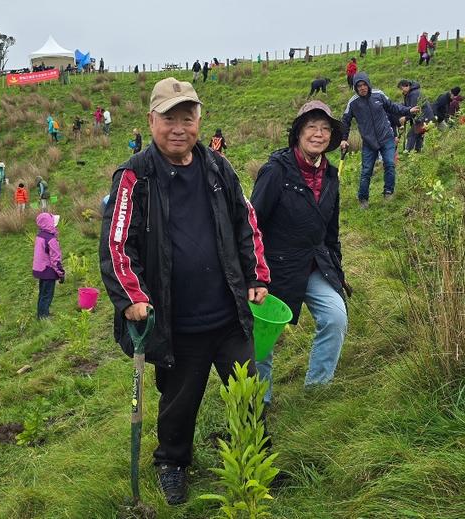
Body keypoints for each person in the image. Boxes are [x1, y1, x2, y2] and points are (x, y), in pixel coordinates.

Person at [100, 77, 270, 506]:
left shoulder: (217, 167)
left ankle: (252, 459)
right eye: (169, 118)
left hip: (229, 312)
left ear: (199, 120)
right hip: (175, 321)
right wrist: (132, 297)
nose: (179, 128)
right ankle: (172, 463)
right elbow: (118, 243)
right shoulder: (135, 175)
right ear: (151, 120)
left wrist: (257, 275)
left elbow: (245, 223)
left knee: (247, 390)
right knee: (179, 402)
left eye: (187, 118)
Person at [250, 100, 349, 407]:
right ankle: (259, 401)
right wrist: (254, 275)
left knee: (335, 317)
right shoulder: (276, 172)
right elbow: (251, 224)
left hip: (315, 265)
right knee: (263, 340)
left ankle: (316, 391)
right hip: (273, 269)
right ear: (298, 133)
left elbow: (330, 232)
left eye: (324, 129)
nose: (318, 134)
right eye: (311, 127)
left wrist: (336, 269)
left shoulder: (331, 176)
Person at [339, 72, 419, 208]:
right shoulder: (353, 103)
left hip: (386, 137)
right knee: (366, 171)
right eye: (359, 86)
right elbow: (345, 121)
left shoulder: (379, 94)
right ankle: (363, 199)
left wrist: (408, 110)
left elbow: (393, 107)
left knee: (389, 164)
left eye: (364, 85)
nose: (362, 88)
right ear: (355, 88)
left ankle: (388, 192)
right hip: (368, 142)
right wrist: (344, 139)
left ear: (368, 84)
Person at [33, 213, 64, 319]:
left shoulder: (40, 236)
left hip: (40, 270)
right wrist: (61, 273)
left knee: (42, 294)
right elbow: (56, 259)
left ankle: (41, 313)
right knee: (47, 295)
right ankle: (43, 317)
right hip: (48, 271)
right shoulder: (51, 239)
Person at [397, 80, 425, 153]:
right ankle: (418, 152)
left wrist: (406, 118)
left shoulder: (414, 94)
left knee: (411, 134)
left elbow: (415, 109)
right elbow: (409, 107)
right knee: (418, 134)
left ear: (407, 86)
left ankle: (408, 153)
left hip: (423, 117)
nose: (401, 91)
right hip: (420, 118)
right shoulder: (409, 94)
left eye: (401, 88)